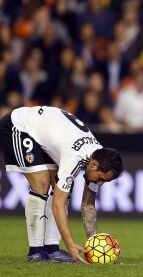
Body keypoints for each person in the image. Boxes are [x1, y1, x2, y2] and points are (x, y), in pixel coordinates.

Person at [0, 106, 123, 263]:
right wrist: (71, 245)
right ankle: (36, 252)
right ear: (93, 164)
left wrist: (94, 245)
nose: (100, 184)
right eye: (101, 179)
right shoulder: (75, 156)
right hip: (19, 125)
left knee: (64, 189)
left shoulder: (98, 156)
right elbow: (57, 205)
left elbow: (88, 204)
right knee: (42, 183)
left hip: (46, 134)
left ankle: (52, 249)